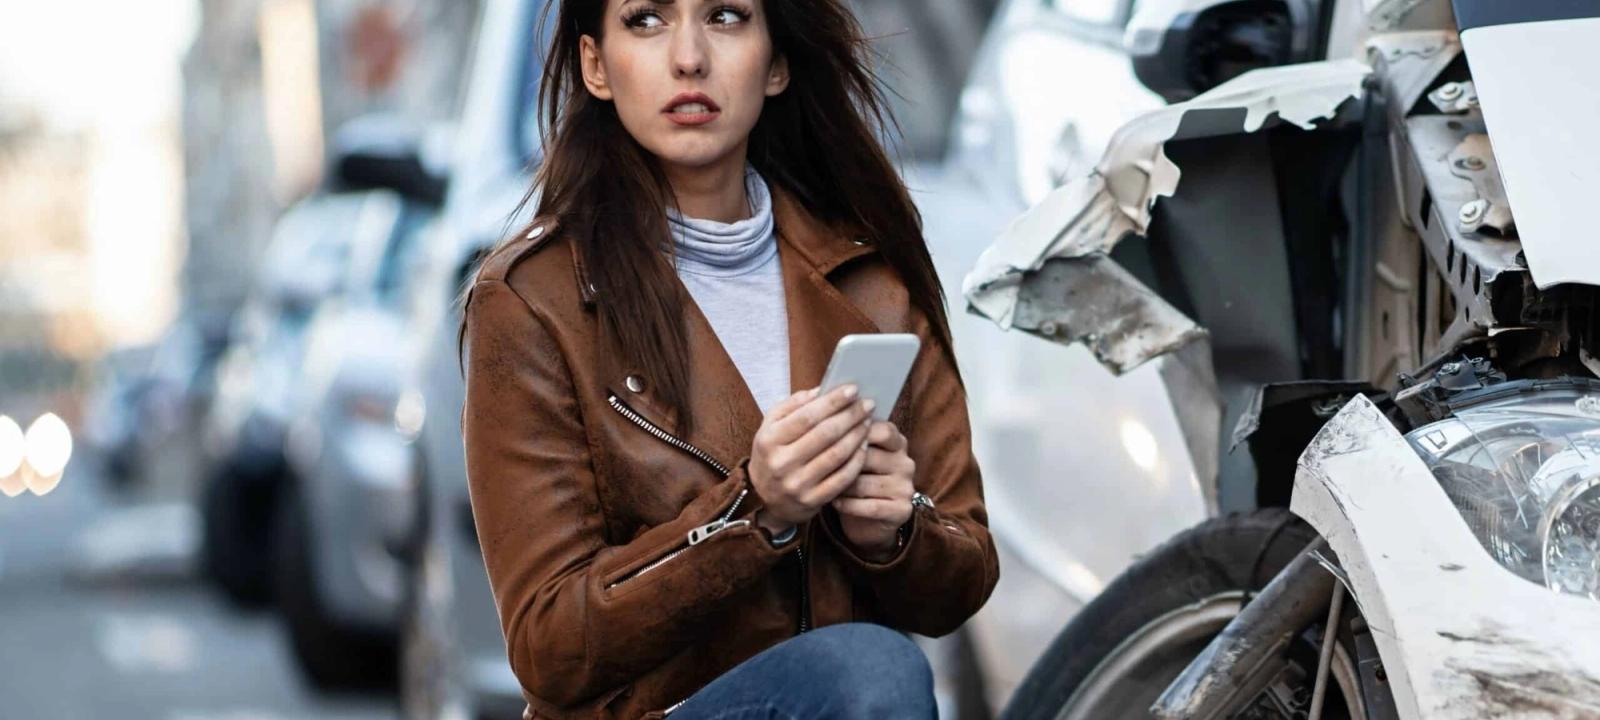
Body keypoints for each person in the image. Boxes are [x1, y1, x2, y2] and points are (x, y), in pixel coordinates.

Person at [455, 0, 999, 717]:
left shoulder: (873, 280)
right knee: (869, 666)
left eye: (727, 16)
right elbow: (550, 645)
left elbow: (963, 579)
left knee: (870, 670)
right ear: (596, 66)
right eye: (646, 19)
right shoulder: (532, 303)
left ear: (775, 64)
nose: (689, 57)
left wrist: (895, 529)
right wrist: (755, 511)